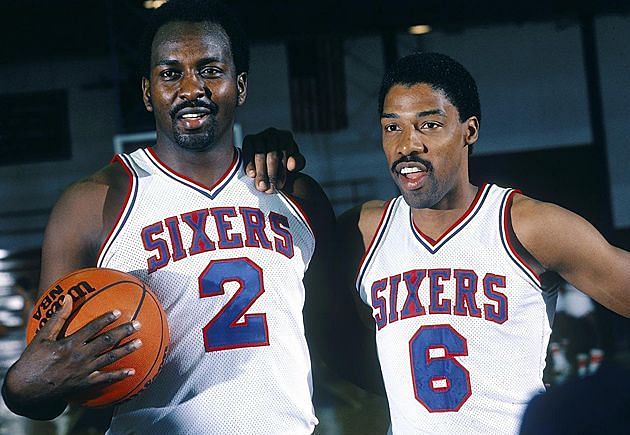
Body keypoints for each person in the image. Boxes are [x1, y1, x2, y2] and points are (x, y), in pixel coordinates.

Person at [248, 52, 630, 434]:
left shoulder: (525, 225)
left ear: (470, 130)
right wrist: (269, 153)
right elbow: (320, 329)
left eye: (428, 124)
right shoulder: (364, 232)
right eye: (392, 127)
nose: (407, 145)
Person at [1, 1, 334, 434]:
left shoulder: (293, 193)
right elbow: (50, 381)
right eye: (171, 73)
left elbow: (339, 337)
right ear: (147, 91)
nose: (191, 88)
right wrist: (21, 389)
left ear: (242, 85)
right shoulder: (93, 203)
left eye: (211, 70)